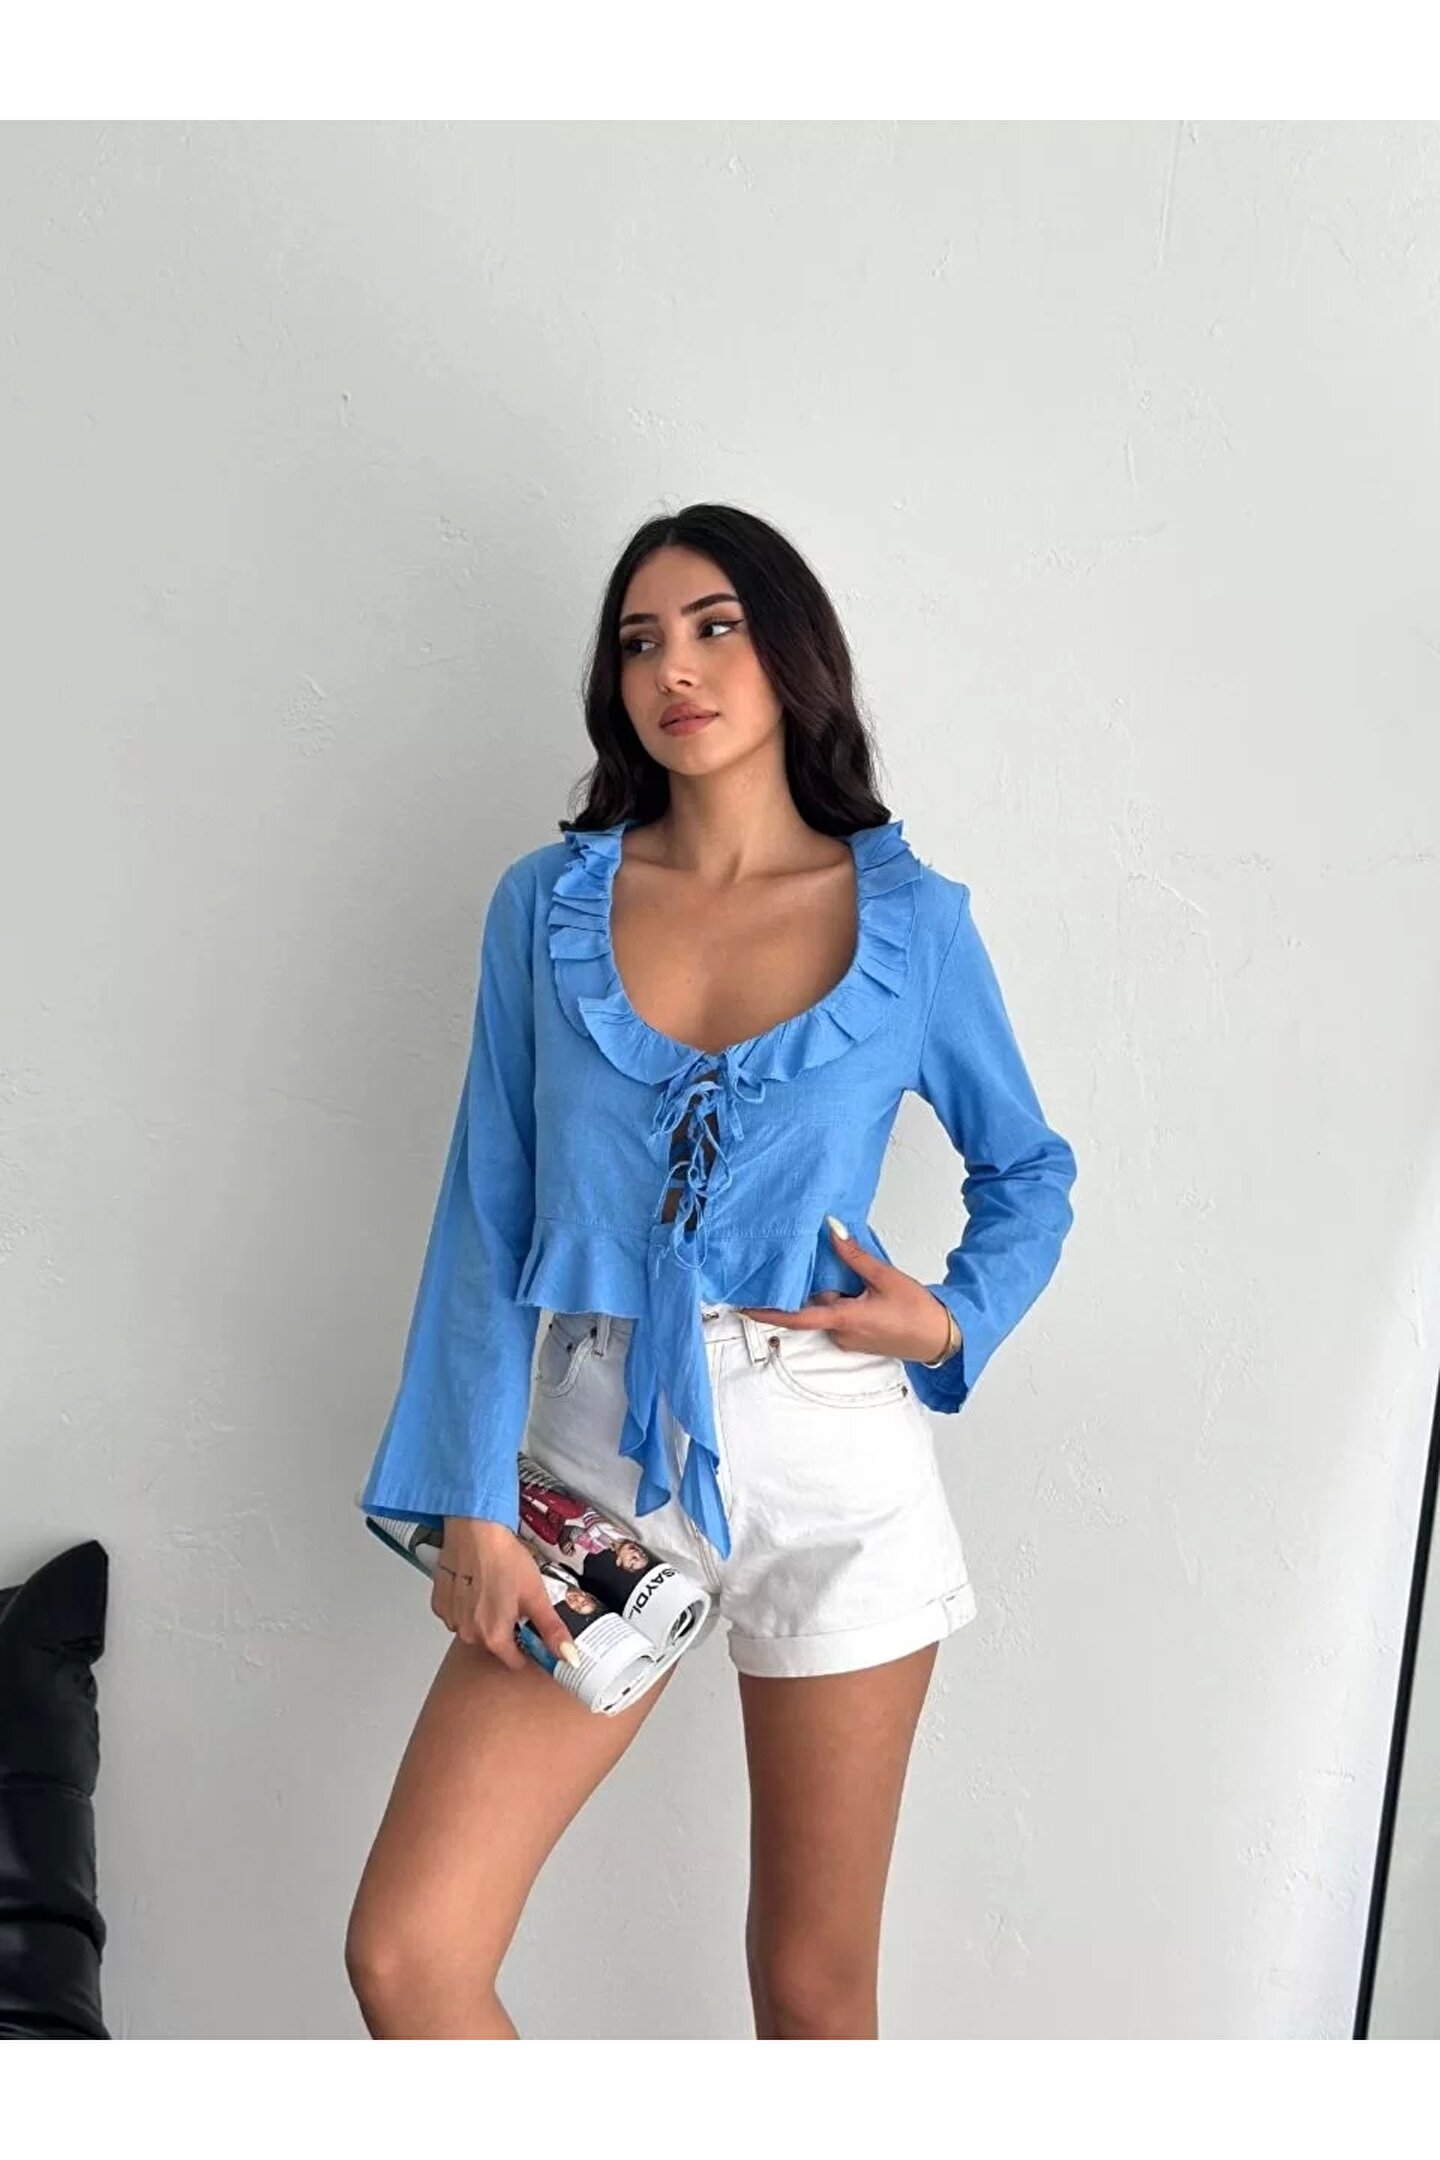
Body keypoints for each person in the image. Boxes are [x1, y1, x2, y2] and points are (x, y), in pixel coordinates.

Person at [345, 502, 1078, 2040]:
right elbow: (485, 1211)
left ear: (792, 653)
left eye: (714, 626)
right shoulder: (546, 907)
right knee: (412, 1954)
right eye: (639, 641)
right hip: (597, 1445)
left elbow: (1030, 1171)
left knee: (811, 1992)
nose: (673, 668)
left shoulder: (912, 924)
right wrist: (470, 1498)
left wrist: (948, 1318)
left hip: (838, 1458)